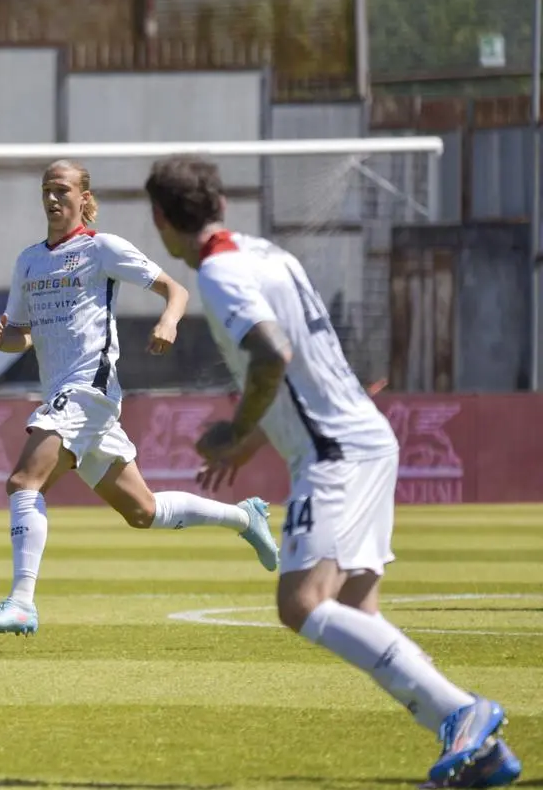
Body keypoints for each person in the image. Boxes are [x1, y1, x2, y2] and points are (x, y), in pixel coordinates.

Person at [142, 156, 520, 790]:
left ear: (159, 220)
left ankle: (462, 711)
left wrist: (235, 432)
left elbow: (272, 355)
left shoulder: (219, 273)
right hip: (366, 439)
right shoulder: (270, 255)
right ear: (222, 205)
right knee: (355, 609)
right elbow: (300, 366)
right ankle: (477, 750)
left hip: (336, 454)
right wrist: (251, 439)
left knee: (301, 603)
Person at [0, 160, 280, 636]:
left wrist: (168, 321)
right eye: (46, 191)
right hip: (66, 396)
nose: (52, 199)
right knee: (144, 511)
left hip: (88, 391)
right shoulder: (29, 259)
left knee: (23, 482)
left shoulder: (101, 248)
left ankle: (21, 603)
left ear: (82, 197)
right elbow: (21, 336)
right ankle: (245, 517)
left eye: (61, 190)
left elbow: (173, 288)